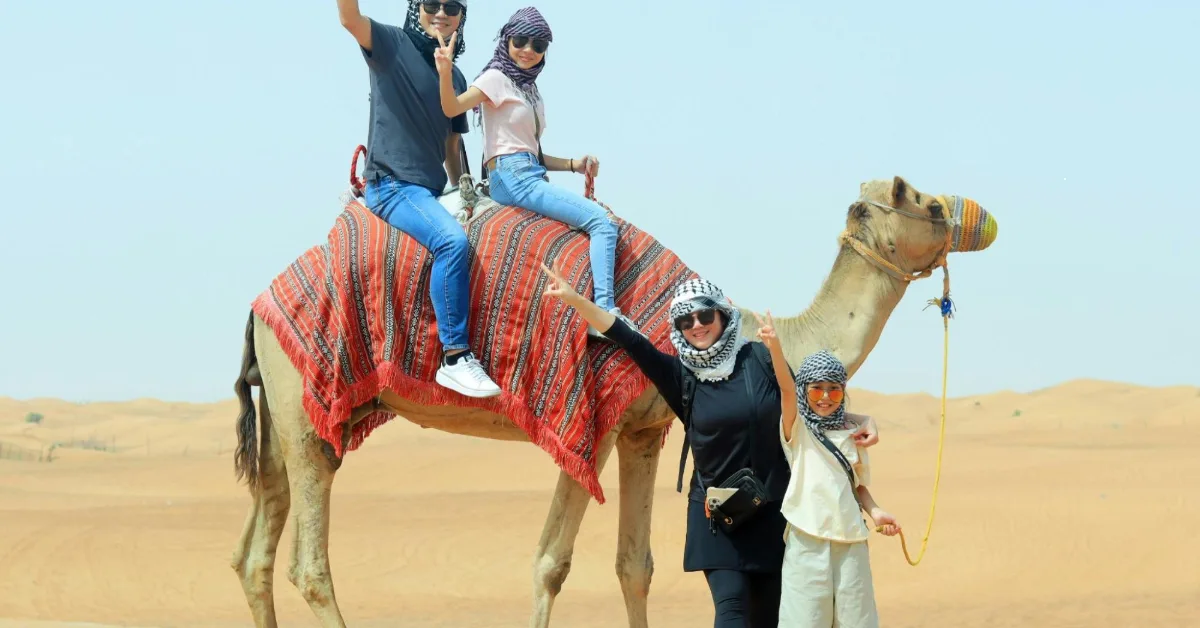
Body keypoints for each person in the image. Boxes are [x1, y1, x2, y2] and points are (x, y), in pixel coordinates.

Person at [539, 267, 881, 627]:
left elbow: (808, 408)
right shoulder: (680, 376)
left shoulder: (759, 358)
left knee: (766, 618)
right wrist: (575, 299)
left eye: (705, 315)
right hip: (717, 516)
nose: (697, 325)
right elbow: (627, 337)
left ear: (722, 314)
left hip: (773, 514)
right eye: (686, 320)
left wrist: (861, 420)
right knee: (732, 611)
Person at [436, 7, 639, 339]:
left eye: (538, 45)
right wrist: (445, 72)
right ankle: (605, 313)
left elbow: (532, 152)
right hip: (511, 176)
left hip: (529, 171)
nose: (528, 50)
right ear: (506, 40)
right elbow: (451, 107)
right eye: (520, 41)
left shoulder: (530, 91)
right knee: (602, 222)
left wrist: (574, 164)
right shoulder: (495, 78)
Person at [337, 0, 500, 398]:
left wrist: (464, 192)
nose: (441, 12)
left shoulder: (455, 76)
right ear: (416, 7)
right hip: (392, 186)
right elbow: (349, 18)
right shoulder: (390, 44)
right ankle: (455, 356)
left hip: (430, 190)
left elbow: (451, 145)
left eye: (452, 6)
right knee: (451, 242)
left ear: (461, 17)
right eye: (431, 3)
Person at [755, 314, 900, 628]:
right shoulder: (798, 430)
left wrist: (876, 513)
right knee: (804, 621)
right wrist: (775, 348)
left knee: (856, 621)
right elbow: (787, 390)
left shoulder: (853, 434)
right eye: (816, 389)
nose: (824, 397)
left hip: (851, 540)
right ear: (805, 390)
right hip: (807, 540)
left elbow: (857, 486)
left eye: (834, 390)